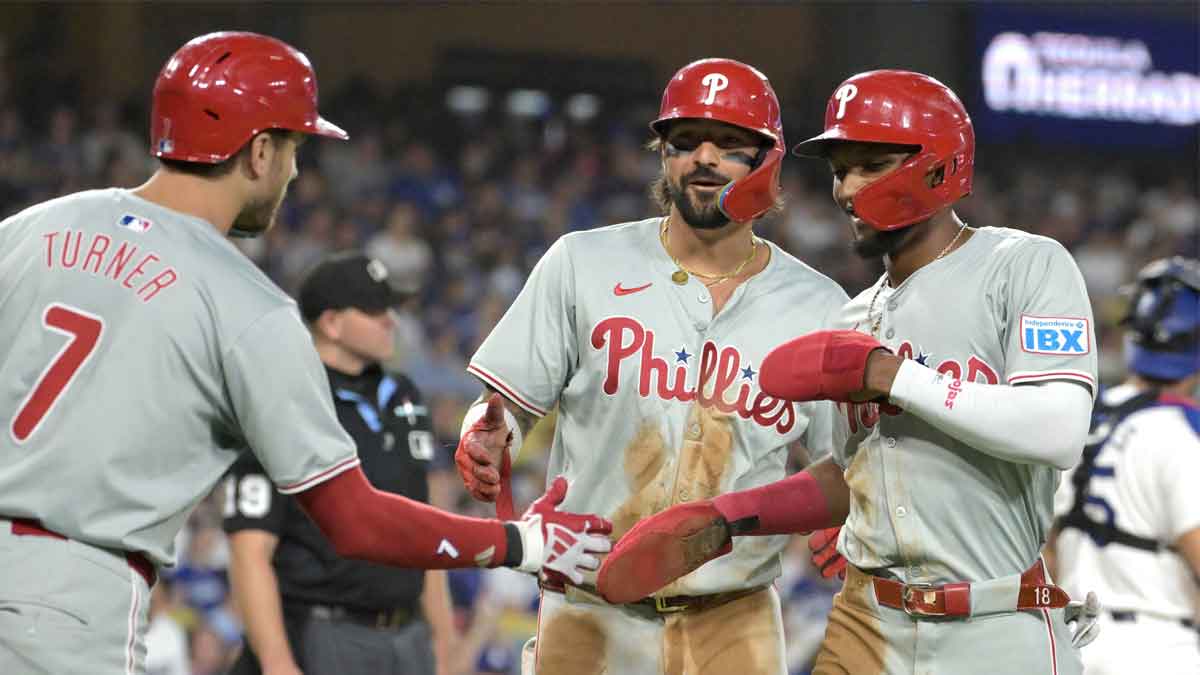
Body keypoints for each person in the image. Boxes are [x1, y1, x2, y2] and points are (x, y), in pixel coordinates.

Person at [0, 31, 610, 675]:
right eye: (293, 148)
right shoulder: (247, 304)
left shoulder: (30, 228)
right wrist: (522, 542)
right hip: (66, 602)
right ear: (259, 151)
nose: (293, 171)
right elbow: (354, 522)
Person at [597, 69, 1105, 674]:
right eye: (841, 171)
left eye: (871, 165)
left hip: (994, 621)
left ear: (939, 167)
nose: (846, 191)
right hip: (866, 622)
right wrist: (732, 515)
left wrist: (892, 376)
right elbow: (850, 474)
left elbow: (1059, 428)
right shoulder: (855, 314)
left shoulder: (1022, 265)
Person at [453, 57, 849, 675]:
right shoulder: (582, 262)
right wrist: (485, 427)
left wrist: (837, 517)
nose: (703, 158)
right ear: (663, 154)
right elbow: (505, 407)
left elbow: (845, 469)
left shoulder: (821, 304)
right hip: (587, 605)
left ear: (767, 160)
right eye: (685, 142)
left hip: (735, 617)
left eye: (729, 144)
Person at [223, 252, 462, 675]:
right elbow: (250, 549)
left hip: (408, 636)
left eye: (390, 307)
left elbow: (426, 531)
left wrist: (443, 641)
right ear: (331, 323)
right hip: (322, 632)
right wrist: (277, 662)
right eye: (373, 310)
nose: (390, 319)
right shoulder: (286, 401)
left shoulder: (403, 395)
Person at [1046, 256, 1200, 675]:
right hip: (1159, 649)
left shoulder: (1081, 418)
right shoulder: (1183, 434)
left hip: (1072, 645)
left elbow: (1047, 551)